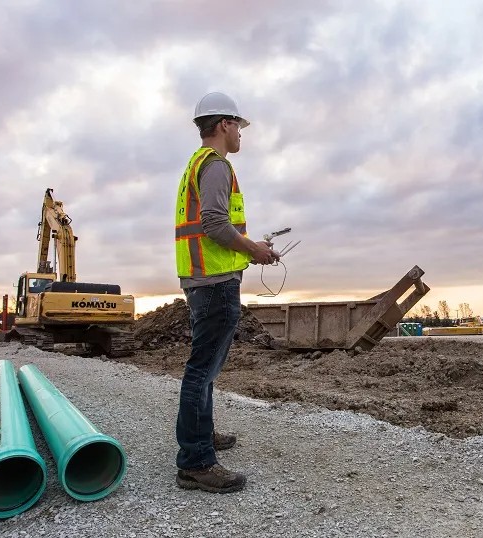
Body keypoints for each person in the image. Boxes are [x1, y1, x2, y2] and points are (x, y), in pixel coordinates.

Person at [173, 91, 278, 493]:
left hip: (202, 278)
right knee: (202, 369)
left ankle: (202, 434)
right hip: (214, 283)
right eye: (239, 126)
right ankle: (195, 462)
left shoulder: (196, 164)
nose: (241, 135)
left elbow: (211, 227)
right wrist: (255, 249)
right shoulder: (217, 166)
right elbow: (215, 223)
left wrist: (249, 251)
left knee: (206, 367)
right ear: (224, 125)